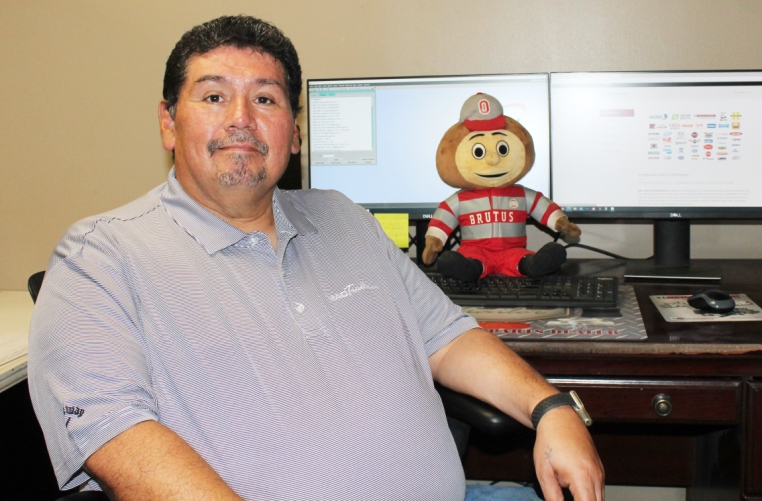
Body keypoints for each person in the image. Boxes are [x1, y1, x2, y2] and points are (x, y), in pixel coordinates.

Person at [28, 15, 604, 501]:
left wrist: (552, 407)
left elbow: (448, 338)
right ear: (167, 122)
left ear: (294, 133)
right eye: (213, 96)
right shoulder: (99, 256)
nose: (241, 118)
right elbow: (118, 437)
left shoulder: (342, 216)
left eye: (265, 98)